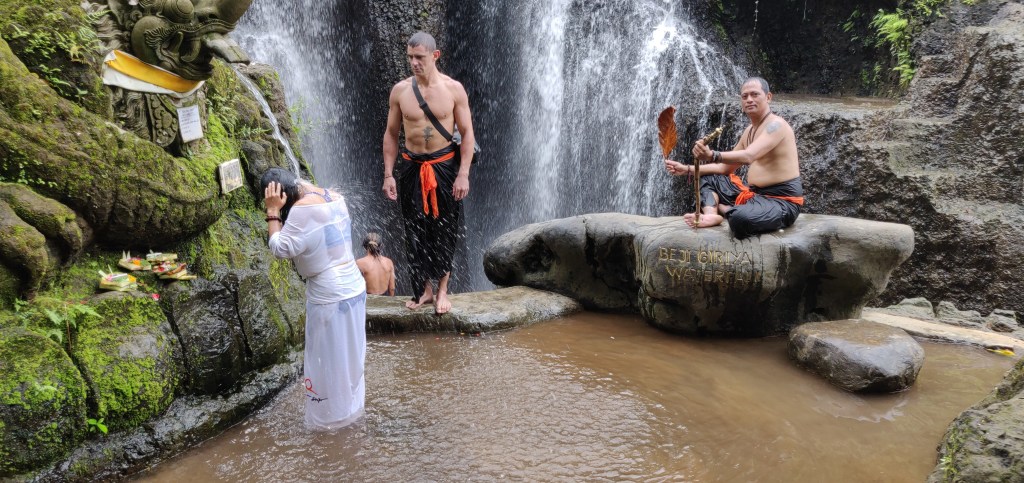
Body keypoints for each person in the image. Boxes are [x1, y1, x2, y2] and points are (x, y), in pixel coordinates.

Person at [262, 167, 367, 430]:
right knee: (350, 356)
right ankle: (352, 413)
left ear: (280, 195)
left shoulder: (300, 211)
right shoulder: (333, 196)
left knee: (325, 360)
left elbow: (279, 247)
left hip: (328, 294)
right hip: (354, 288)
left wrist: (273, 212)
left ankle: (329, 423)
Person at [381, 31, 475, 314]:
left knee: (444, 227)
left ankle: (443, 289)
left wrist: (464, 174)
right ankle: (424, 290)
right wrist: (388, 174)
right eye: (410, 57)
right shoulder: (400, 91)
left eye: (419, 57)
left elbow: (468, 133)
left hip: (444, 166)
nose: (414, 63)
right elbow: (391, 134)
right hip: (411, 166)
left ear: (435, 56)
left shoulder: (453, 89)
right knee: (414, 228)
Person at [664, 77, 804, 239]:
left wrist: (712, 155)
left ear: (768, 97)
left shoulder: (776, 125)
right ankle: (712, 215)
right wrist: (686, 169)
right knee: (708, 177)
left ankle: (726, 210)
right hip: (754, 197)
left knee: (739, 220)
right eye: (745, 97)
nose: (749, 100)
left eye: (754, 95)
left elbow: (749, 156)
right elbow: (724, 169)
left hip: (781, 202)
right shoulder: (749, 131)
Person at [356, 232, 396, 296]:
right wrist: (391, 301)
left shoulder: (360, 263)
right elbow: (392, 288)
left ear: (365, 246)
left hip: (368, 299)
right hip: (384, 298)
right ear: (380, 246)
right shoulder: (388, 262)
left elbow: (355, 287)